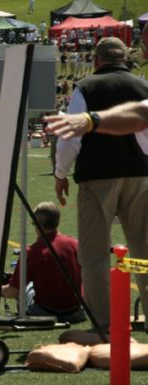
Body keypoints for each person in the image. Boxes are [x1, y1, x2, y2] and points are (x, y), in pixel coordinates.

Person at [50, 37, 148, 332]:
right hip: (141, 177)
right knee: (144, 251)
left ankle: (104, 325)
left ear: (96, 60)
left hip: (98, 177)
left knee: (94, 255)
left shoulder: (87, 87)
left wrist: (60, 173)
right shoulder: (143, 86)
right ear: (125, 59)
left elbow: (70, 137)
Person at [1, 201, 86, 323]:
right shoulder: (75, 244)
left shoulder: (32, 251)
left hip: (44, 314)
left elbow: (13, 291)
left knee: (26, 287)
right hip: (76, 312)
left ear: (38, 222)